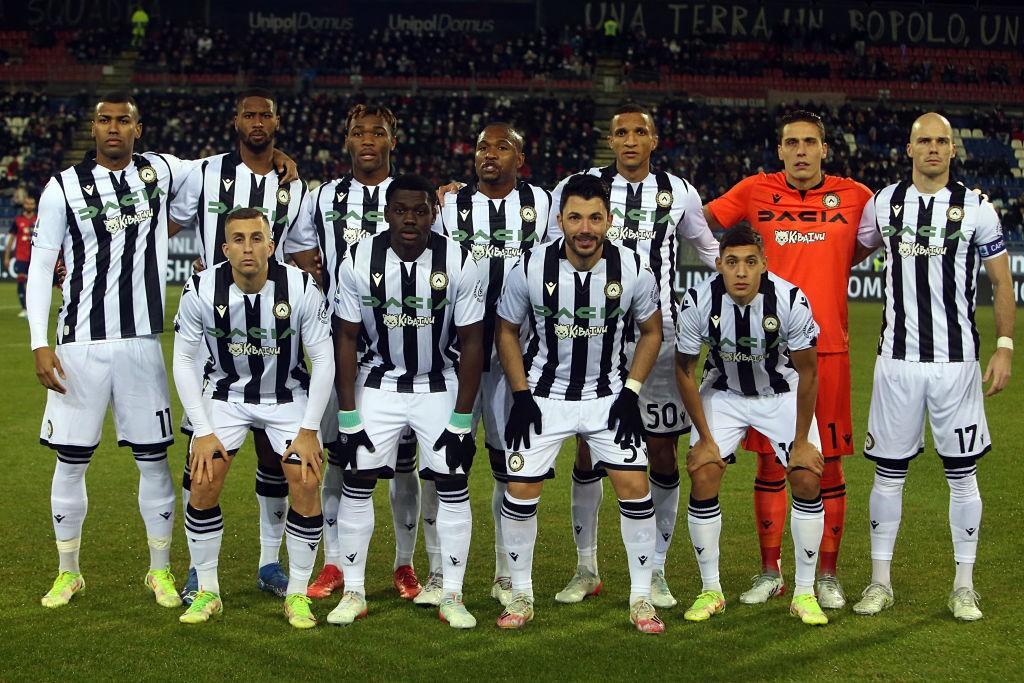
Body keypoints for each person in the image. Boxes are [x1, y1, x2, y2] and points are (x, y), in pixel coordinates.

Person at [548, 104, 719, 608]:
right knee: (588, 449)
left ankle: (658, 569)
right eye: (620, 132)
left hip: (660, 337)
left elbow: (709, 250)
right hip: (593, 332)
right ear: (610, 139)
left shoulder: (679, 191)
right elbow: (543, 249)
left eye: (638, 132)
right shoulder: (580, 186)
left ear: (653, 140)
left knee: (662, 450)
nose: (629, 140)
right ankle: (587, 567)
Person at [704, 110, 874, 609]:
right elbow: (700, 222)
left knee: (829, 463)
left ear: (825, 149)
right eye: (791, 142)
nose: (800, 150)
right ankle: (769, 571)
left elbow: (871, 242)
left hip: (829, 351)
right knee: (770, 462)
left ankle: (826, 574)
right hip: (764, 353)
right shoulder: (755, 191)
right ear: (779, 150)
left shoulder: (857, 196)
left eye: (809, 142)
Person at [28, 93, 190, 609]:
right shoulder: (62, 187)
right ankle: (68, 571)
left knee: (153, 461)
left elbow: (221, 169)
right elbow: (40, 266)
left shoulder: (160, 172)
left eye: (123, 120)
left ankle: (159, 571)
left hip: (142, 343)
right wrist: (39, 341)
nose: (113, 128)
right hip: (79, 345)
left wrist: (274, 159)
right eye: (104, 120)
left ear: (138, 129)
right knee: (71, 462)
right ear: (92, 128)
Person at [851, 112, 1015, 622]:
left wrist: (1005, 345)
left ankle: (964, 585)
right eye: (925, 141)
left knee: (962, 476)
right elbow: (847, 256)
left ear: (952, 149)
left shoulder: (977, 209)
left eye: (942, 141)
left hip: (957, 364)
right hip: (896, 363)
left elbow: (1002, 282)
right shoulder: (884, 204)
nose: (934, 149)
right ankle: (880, 583)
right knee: (888, 475)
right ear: (909, 148)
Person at [495, 174, 665, 634]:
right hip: (544, 396)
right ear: (560, 220)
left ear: (609, 220)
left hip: (609, 396)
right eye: (575, 217)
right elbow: (506, 330)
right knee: (521, 491)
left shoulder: (633, 268)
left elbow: (652, 332)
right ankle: (522, 595)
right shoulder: (530, 266)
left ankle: (641, 599)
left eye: (594, 217)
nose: (585, 227)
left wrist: (631, 393)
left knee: (635, 488)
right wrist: (520, 396)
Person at [169, 88, 314, 604]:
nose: (257, 122)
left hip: (273, 341)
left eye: (266, 115)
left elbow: (298, 249)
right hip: (213, 331)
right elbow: (165, 222)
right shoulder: (203, 172)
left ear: (277, 122)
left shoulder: (291, 185)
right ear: (236, 120)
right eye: (249, 114)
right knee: (201, 461)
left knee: (276, 463)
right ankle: (196, 570)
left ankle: (270, 563)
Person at [329, 174, 484, 628]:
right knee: (358, 481)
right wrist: (347, 411)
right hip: (379, 384)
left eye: (419, 210)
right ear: (387, 213)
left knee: (453, 483)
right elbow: (346, 338)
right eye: (401, 210)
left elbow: (473, 343)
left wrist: (461, 418)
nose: (410, 219)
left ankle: (452, 594)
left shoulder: (458, 258)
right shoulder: (359, 256)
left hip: (439, 382)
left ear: (433, 214)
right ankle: (354, 592)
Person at [286, 103, 426, 602]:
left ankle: (404, 565)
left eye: (379, 132)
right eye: (358, 132)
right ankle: (332, 563)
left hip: (400, 347)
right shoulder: (322, 197)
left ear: (393, 139)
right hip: (335, 346)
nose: (368, 140)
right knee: (338, 461)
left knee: (404, 464)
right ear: (346, 140)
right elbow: (298, 249)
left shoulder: (413, 196)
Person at [171, 208, 334, 628]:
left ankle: (297, 594)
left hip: (286, 396)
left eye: (257, 238)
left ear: (271, 244)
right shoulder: (203, 288)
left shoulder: (299, 286)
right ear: (225, 249)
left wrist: (309, 430)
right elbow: (184, 360)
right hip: (225, 394)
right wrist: (203, 432)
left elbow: (323, 358)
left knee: (306, 478)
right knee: (203, 479)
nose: (248, 247)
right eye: (239, 239)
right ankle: (208, 590)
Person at [674, 225, 829, 626]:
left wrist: (800, 441)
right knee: (704, 471)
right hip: (723, 392)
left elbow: (809, 373)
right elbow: (685, 370)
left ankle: (805, 592)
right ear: (719, 264)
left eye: (749, 262)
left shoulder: (791, 300)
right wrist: (706, 439)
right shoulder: (697, 299)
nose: (741, 271)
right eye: (731, 262)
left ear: (764, 263)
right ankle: (711, 590)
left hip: (780, 392)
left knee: (807, 475)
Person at [435, 122, 553, 607]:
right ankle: (442, 574)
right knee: (445, 467)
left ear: (520, 159)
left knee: (512, 468)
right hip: (457, 358)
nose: (490, 154)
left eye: (503, 147)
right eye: (483, 146)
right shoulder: (449, 205)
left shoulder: (544, 202)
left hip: (515, 361)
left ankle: (507, 573)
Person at [5, 196, 36, 317]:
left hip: (35, 256)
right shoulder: (18, 220)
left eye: (31, 204)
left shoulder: (38, 219)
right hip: (21, 256)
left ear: (34, 205)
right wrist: (7, 257)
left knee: (34, 283)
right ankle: (24, 308)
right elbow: (11, 239)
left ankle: (34, 308)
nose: (29, 206)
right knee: (21, 280)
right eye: (27, 203)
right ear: (24, 205)